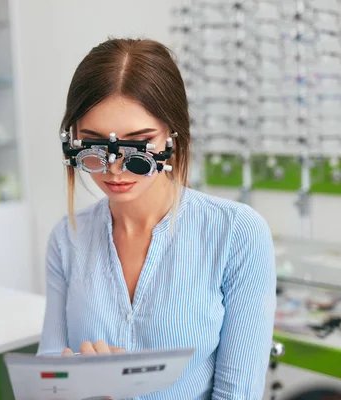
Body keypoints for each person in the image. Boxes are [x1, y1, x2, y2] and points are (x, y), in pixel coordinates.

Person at [38, 38, 276, 399]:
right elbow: (50, 376)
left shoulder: (237, 234)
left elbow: (238, 393)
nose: (115, 169)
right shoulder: (67, 238)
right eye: (94, 145)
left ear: (172, 136)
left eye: (138, 145)